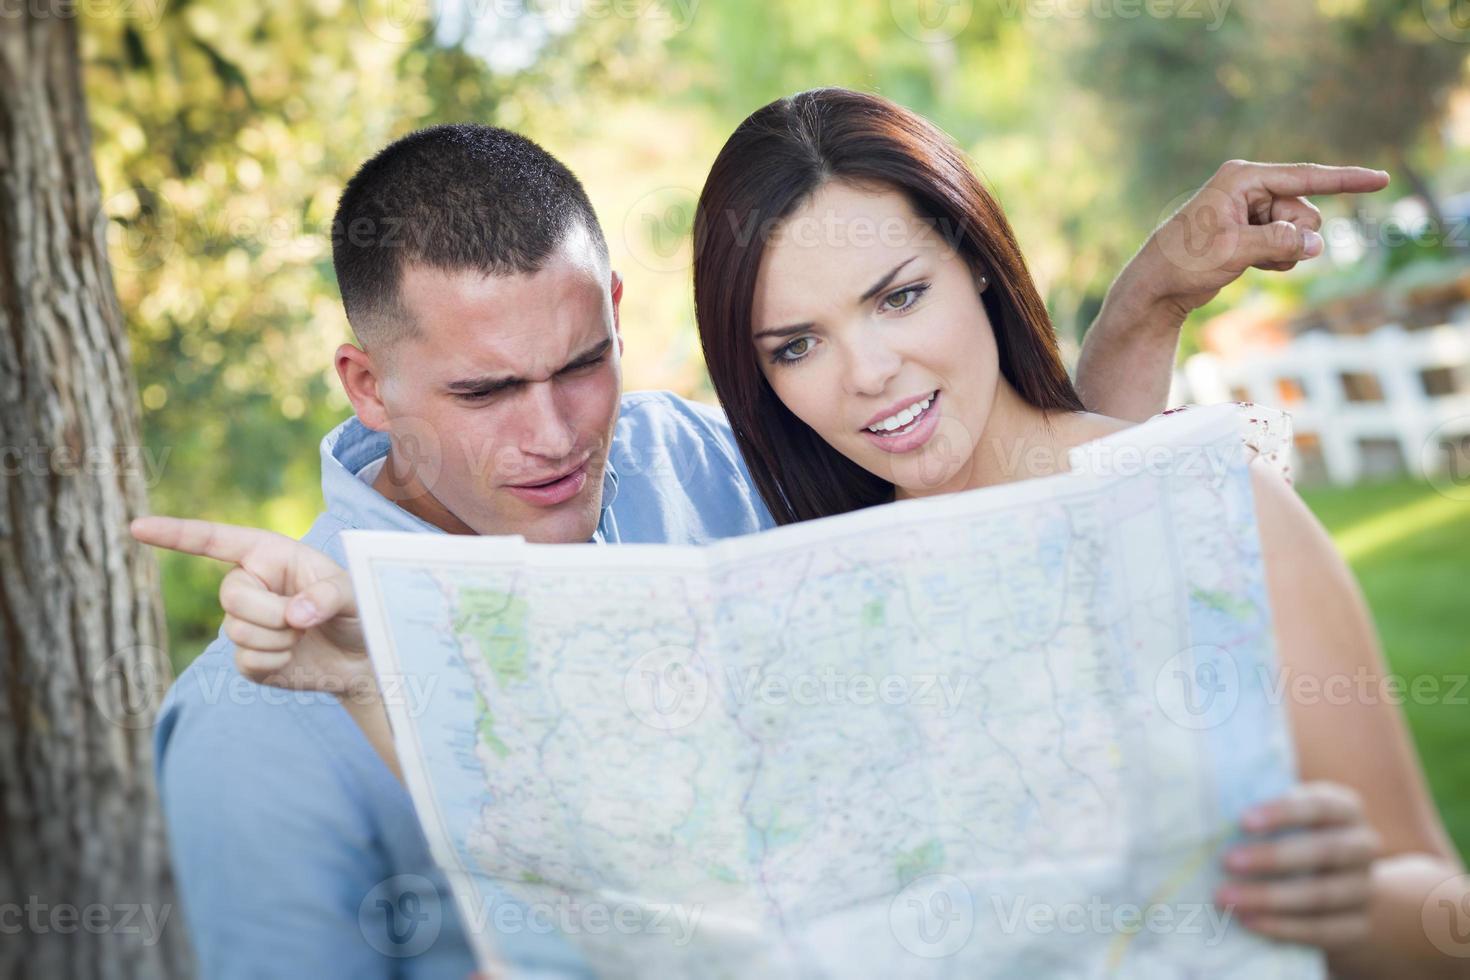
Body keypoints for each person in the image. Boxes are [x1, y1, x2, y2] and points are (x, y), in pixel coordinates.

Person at [131, 119, 1394, 976]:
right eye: (484, 392)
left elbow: (1020, 523)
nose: (557, 430)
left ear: (620, 315)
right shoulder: (253, 724)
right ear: (366, 382)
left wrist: (1144, 305)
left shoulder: (721, 463)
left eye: (583, 363)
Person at [688, 88, 1466, 977]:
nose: (868, 373)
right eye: (796, 346)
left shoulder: (1216, 512)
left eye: (900, 297)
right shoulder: (802, 622)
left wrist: (1353, 905)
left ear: (976, 260)